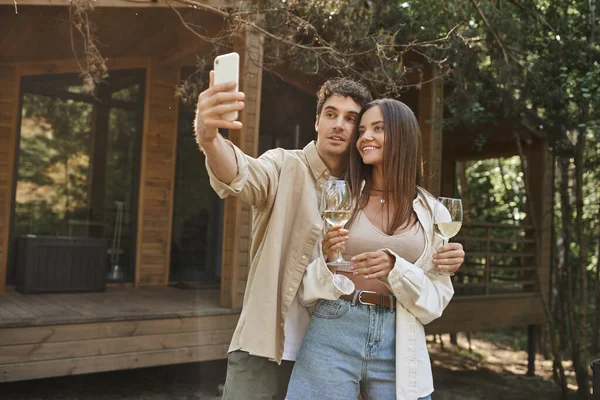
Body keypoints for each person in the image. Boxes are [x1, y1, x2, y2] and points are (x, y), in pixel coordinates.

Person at [195, 71, 465, 400]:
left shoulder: (367, 193)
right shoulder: (284, 166)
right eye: (331, 114)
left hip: (339, 340)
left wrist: (442, 258)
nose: (340, 125)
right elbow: (241, 173)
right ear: (317, 121)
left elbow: (424, 273)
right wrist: (210, 139)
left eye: (352, 119)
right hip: (270, 343)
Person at [286, 99, 455, 400]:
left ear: (403, 135)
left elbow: (435, 302)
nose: (365, 137)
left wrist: (396, 268)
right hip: (334, 326)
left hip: (400, 338)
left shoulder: (433, 212)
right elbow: (307, 287)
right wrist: (326, 259)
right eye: (362, 130)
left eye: (378, 129)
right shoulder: (341, 198)